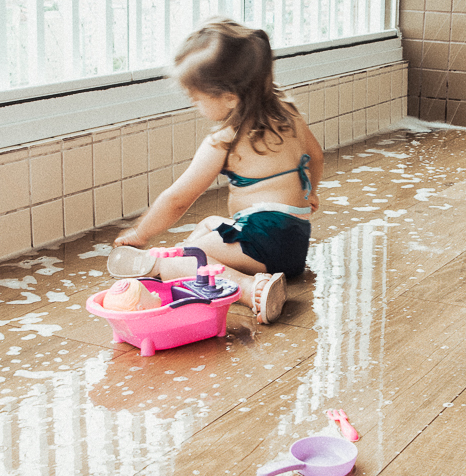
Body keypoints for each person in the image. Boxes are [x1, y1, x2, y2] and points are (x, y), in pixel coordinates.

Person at [110, 18, 324, 325]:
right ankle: (201, 269)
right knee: (210, 223)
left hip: (263, 245)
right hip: (294, 242)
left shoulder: (225, 141)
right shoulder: (287, 111)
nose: (195, 105)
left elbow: (177, 200)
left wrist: (139, 233)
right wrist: (310, 191)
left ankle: (252, 289)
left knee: (179, 259)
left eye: (197, 98)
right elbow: (314, 156)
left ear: (229, 97)